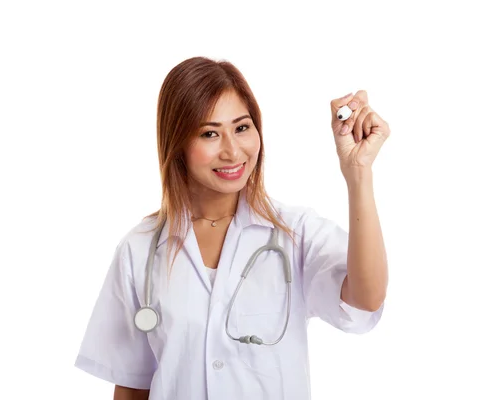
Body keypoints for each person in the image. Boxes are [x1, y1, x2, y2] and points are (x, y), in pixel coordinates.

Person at [74, 56, 390, 400]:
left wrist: (358, 174)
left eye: (241, 128)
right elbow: (132, 384)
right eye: (210, 133)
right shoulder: (140, 249)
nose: (232, 150)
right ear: (177, 142)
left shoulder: (293, 233)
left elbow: (365, 299)